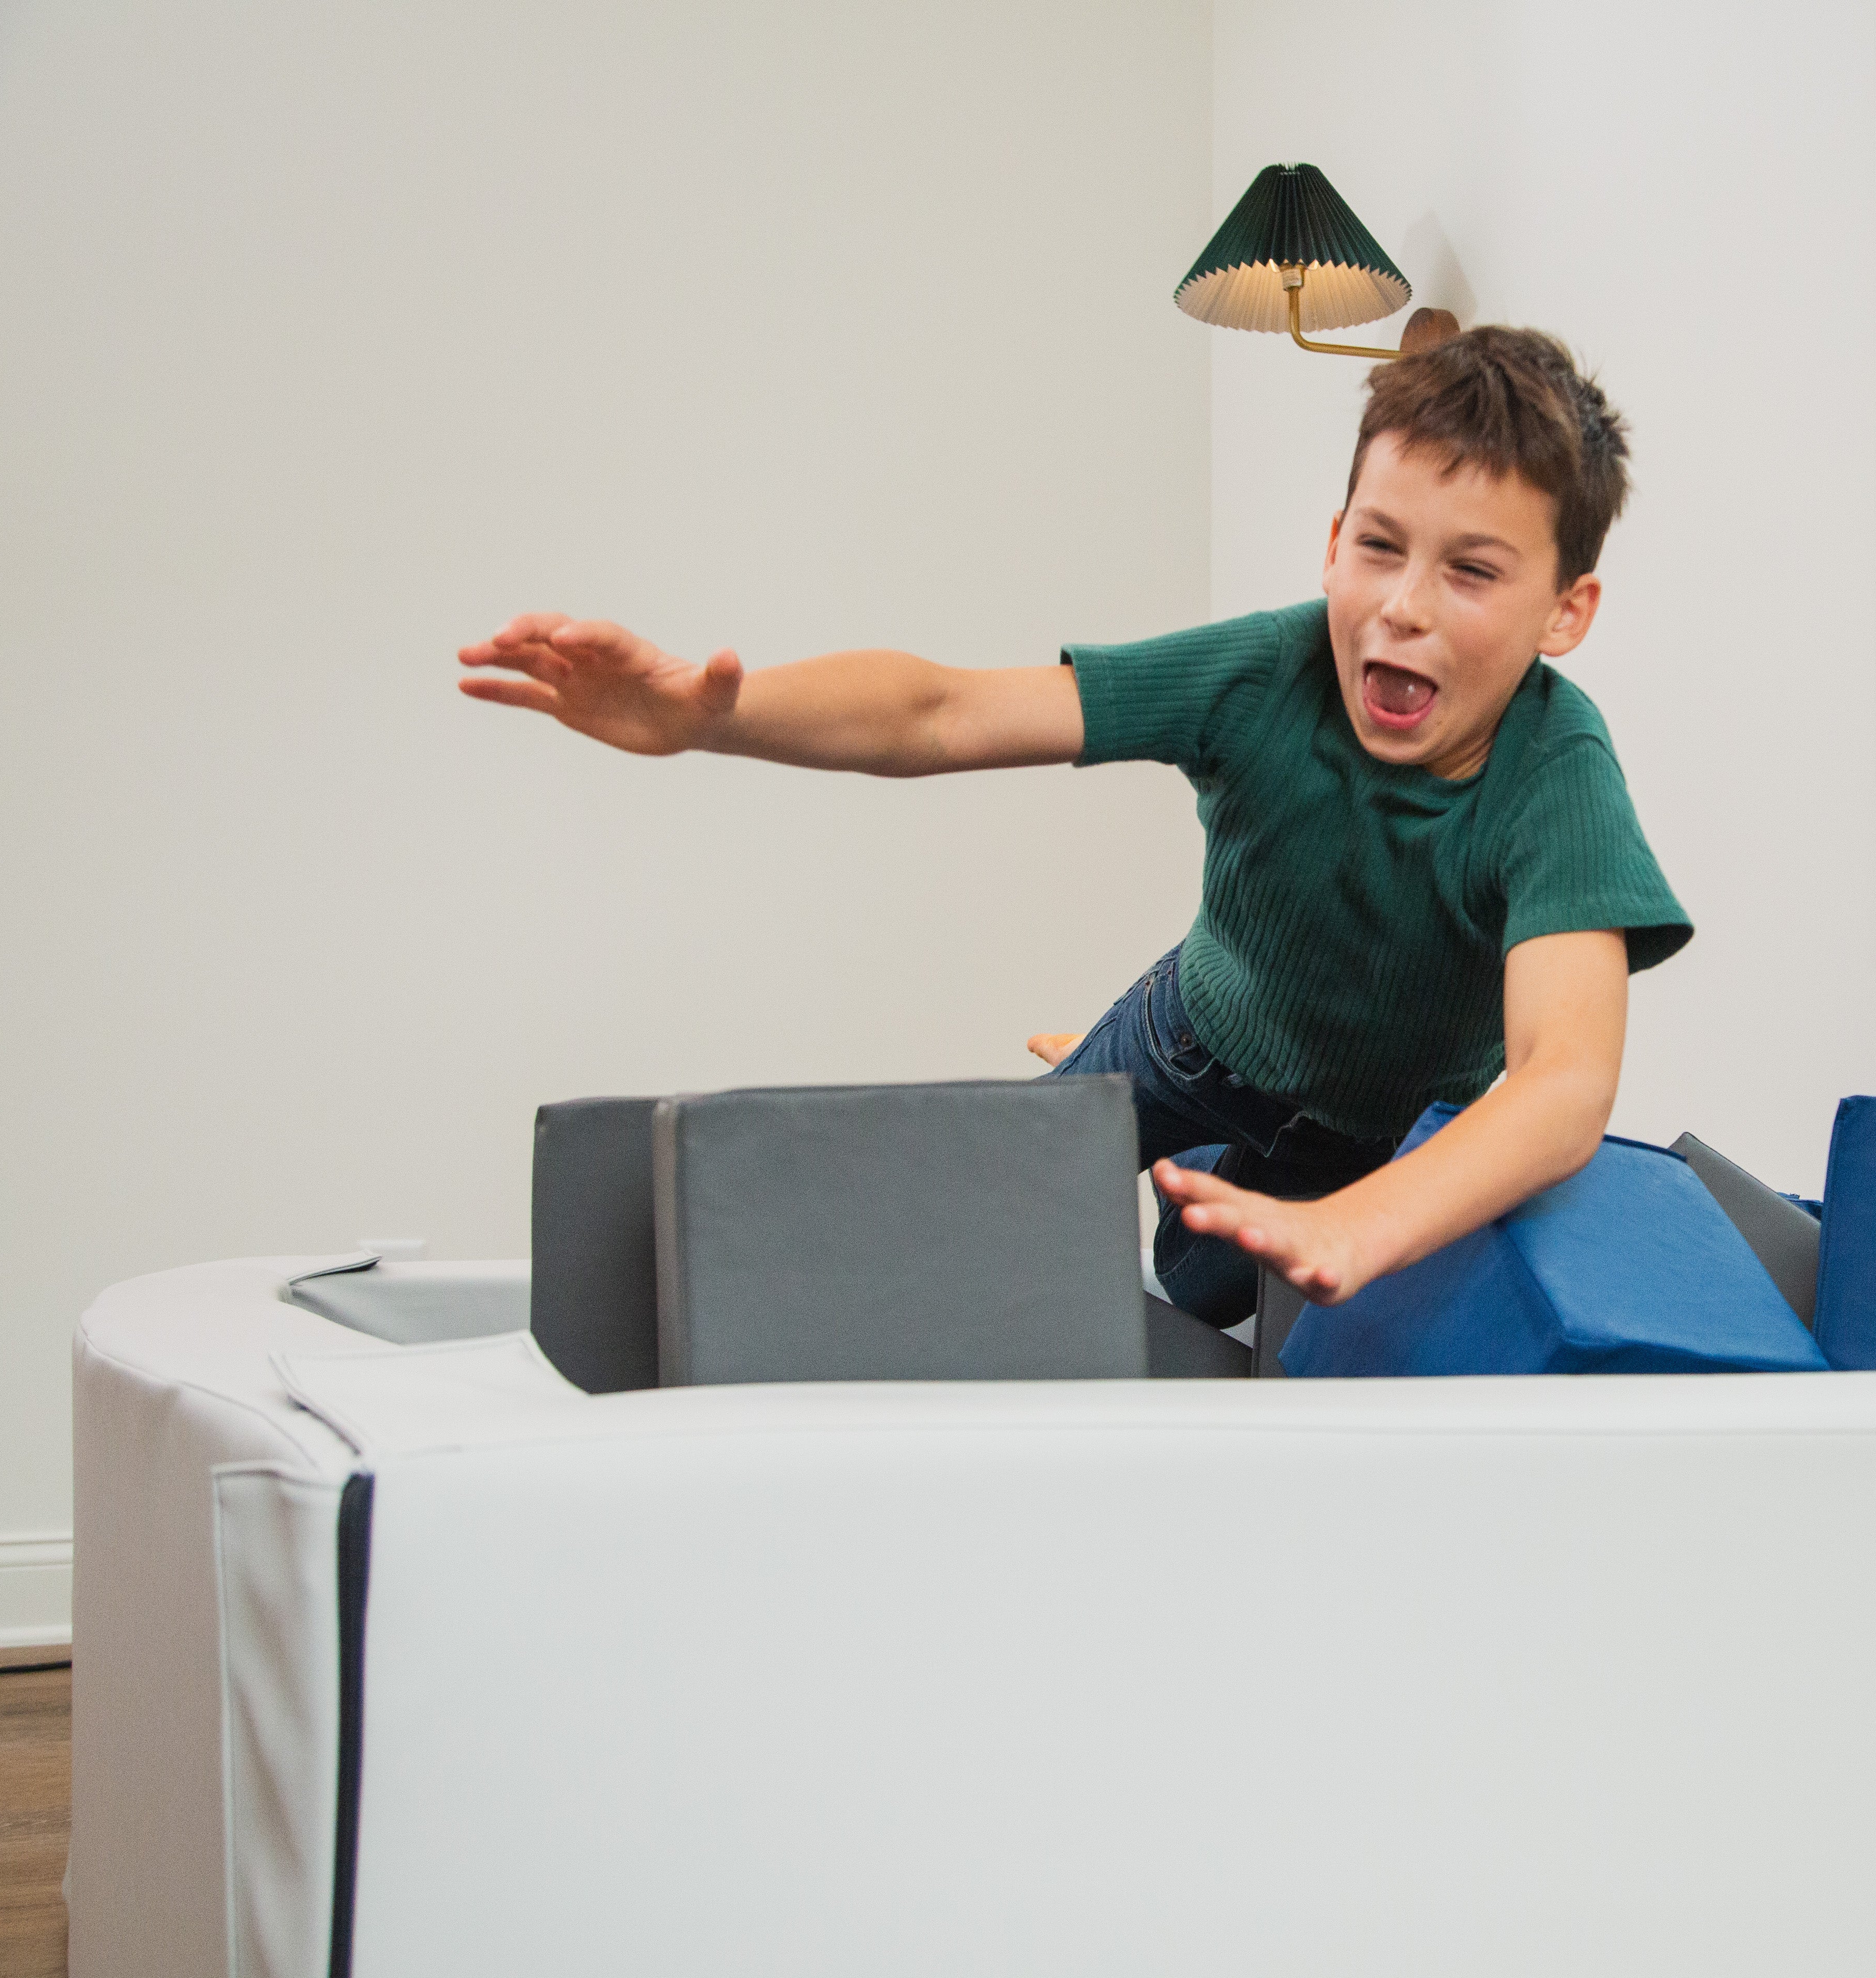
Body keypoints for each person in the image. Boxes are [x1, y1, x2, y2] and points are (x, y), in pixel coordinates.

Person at [456, 326, 1689, 1327]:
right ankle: (1102, 1100)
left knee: (1211, 1293)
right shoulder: (1264, 672)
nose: (1403, 608)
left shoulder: (1558, 774)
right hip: (1193, 1036)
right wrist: (710, 719)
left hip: (1385, 1137)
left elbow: (1564, 1077)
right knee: (994, 1208)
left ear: (1565, 612)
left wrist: (1360, 1222)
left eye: (1471, 572)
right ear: (1332, 546)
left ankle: (1219, 1198)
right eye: (1379, 547)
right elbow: (946, 710)